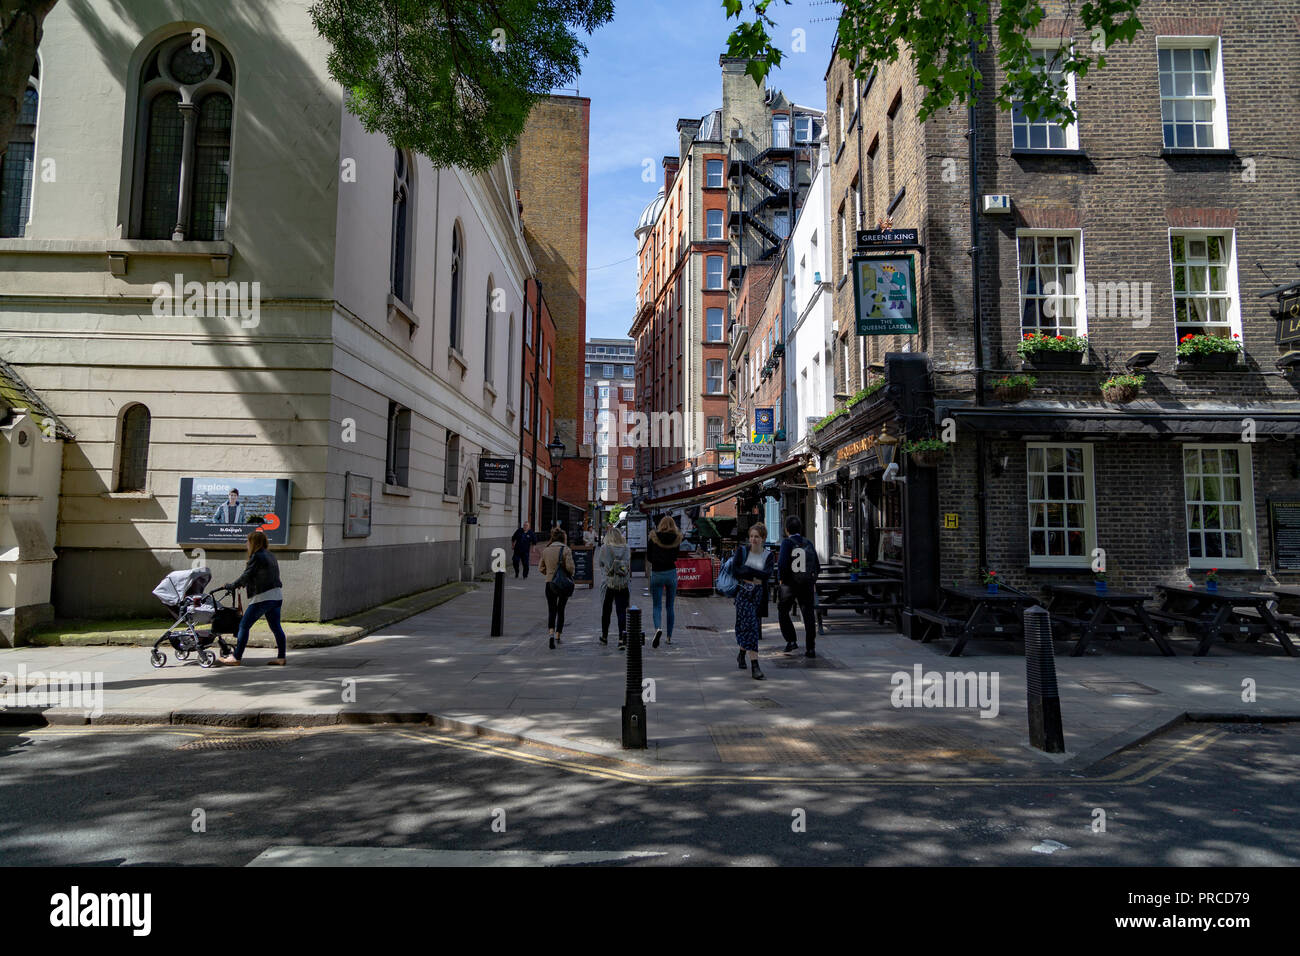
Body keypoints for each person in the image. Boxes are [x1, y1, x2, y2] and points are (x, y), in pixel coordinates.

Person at [219, 530, 287, 666]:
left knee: (243, 625)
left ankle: (236, 658)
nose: (246, 544)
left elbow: (247, 575)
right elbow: (258, 575)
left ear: (253, 542)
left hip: (263, 597)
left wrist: (231, 585)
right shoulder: (270, 555)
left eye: (248, 541)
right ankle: (281, 657)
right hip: (277, 595)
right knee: (276, 627)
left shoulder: (257, 556)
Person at [732, 523, 775, 680]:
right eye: (751, 536)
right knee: (751, 627)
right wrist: (754, 573)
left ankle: (742, 654)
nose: (753, 539)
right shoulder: (742, 551)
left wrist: (748, 571)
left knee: (749, 626)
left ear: (763, 538)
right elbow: (735, 571)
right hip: (743, 593)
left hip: (758, 594)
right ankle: (755, 666)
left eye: (757, 536)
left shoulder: (768, 555)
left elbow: (766, 574)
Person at [777, 515, 821, 657]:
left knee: (783, 611)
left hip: (790, 583)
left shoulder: (787, 543)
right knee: (808, 615)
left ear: (786, 529)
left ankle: (791, 640)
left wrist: (781, 579)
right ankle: (810, 648)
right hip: (806, 583)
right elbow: (816, 565)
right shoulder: (808, 542)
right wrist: (812, 580)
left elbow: (782, 563)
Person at [647, 515, 682, 648]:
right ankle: (669, 637)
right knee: (670, 606)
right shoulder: (677, 539)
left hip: (657, 573)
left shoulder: (653, 538)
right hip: (671, 573)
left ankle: (658, 629)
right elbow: (676, 556)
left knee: (657, 605)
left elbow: (649, 557)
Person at [538, 527, 575, 650]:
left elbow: (541, 568)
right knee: (561, 610)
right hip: (563, 584)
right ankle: (559, 635)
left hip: (550, 583)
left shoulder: (546, 550)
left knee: (551, 610)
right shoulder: (566, 550)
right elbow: (570, 568)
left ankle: (551, 635)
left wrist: (549, 574)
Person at [598, 526, 632, 647]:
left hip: (609, 584)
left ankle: (604, 636)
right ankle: (622, 639)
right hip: (623, 584)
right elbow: (628, 565)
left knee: (606, 611)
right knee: (622, 612)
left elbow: (600, 563)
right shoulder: (627, 548)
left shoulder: (604, 548)